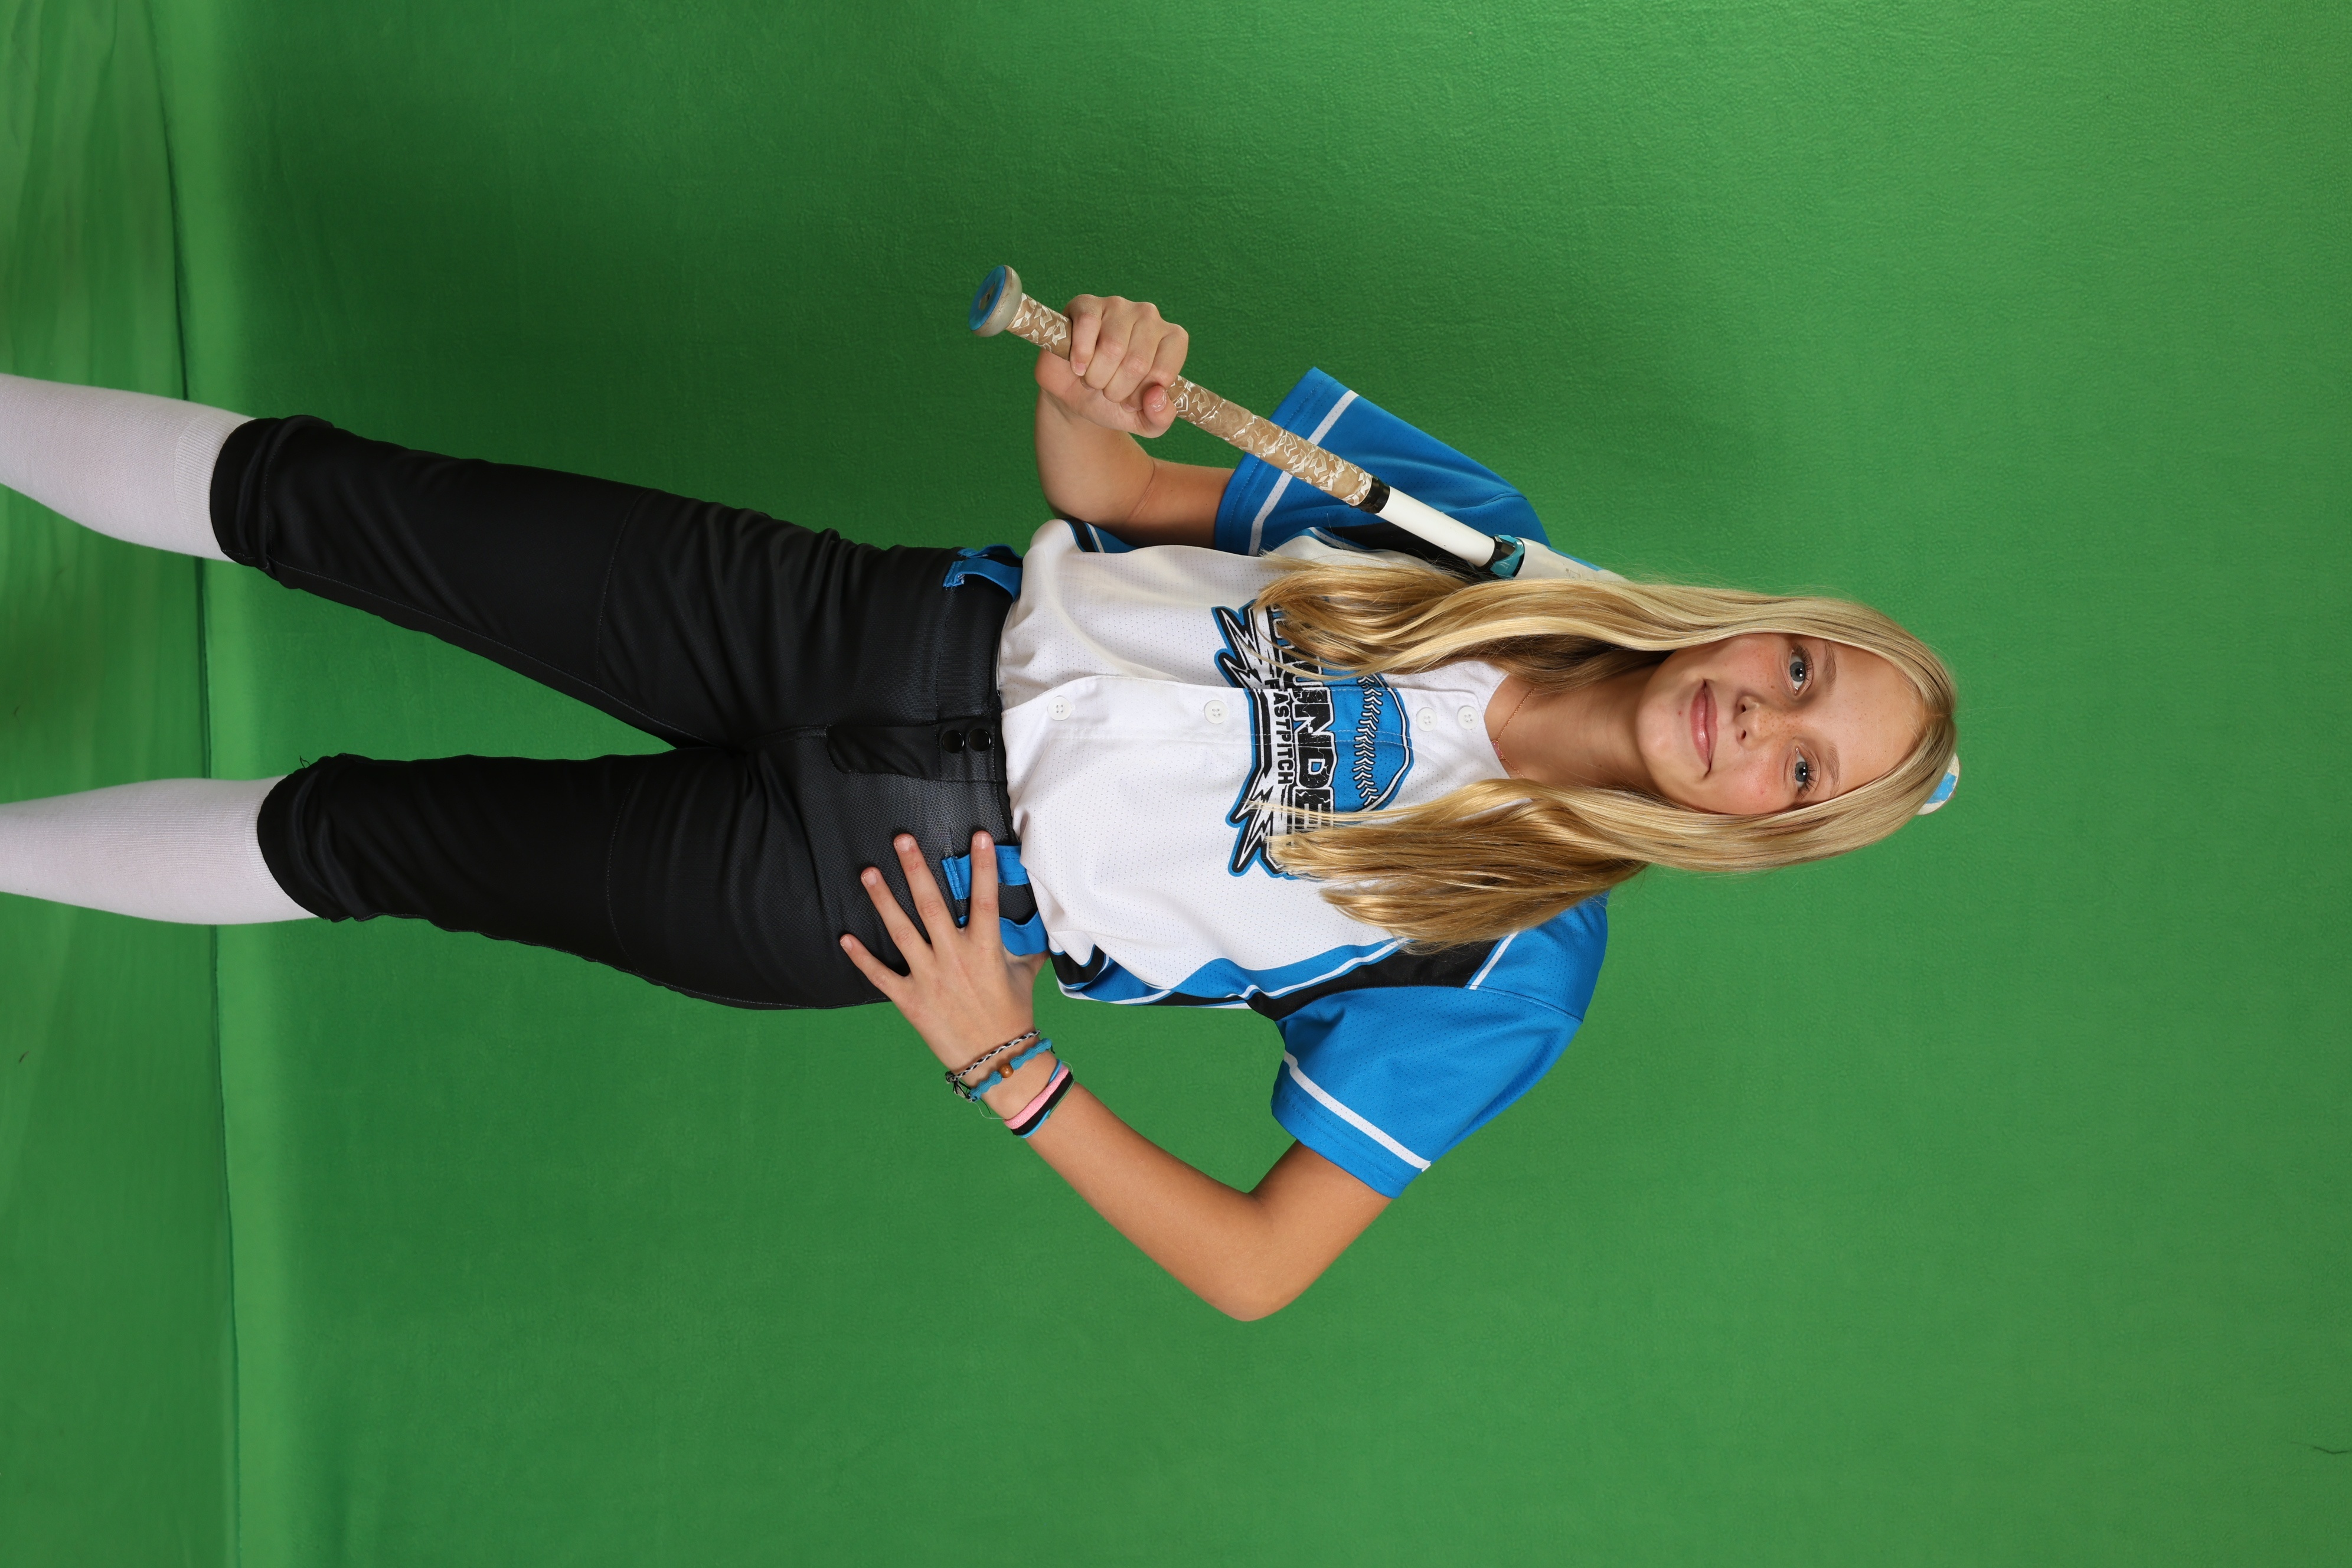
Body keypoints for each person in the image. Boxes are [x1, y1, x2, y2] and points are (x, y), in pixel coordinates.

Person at [0, 293, 1958, 1318]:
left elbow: (1261, 1267)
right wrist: (1094, 390)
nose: (1758, 722)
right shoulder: (1484, 541)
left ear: (1775, 829)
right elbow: (1112, 499)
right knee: (342, 501)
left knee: (359, 836)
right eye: (1801, 671)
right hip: (857, 623)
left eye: (1805, 767)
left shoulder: (1518, 969)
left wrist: (1010, 1075)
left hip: (875, 894)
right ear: (1766, 625)